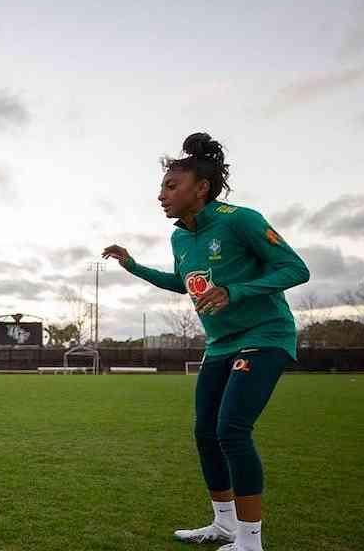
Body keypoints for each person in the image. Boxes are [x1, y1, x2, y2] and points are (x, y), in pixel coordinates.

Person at [102, 133, 309, 551]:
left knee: (231, 430)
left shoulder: (240, 220)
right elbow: (183, 283)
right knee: (205, 433)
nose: (161, 195)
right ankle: (224, 525)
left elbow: (296, 268)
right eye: (162, 187)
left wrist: (236, 291)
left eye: (171, 186)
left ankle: (250, 542)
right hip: (220, 343)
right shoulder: (180, 237)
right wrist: (133, 265)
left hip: (265, 335)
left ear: (201, 188)